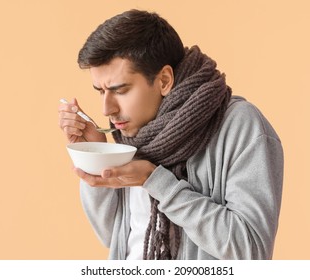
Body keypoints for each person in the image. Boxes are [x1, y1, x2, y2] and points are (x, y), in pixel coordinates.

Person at [58, 9, 284, 260]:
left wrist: (156, 182)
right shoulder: (136, 134)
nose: (106, 109)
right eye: (101, 91)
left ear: (165, 80)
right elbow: (113, 237)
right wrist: (97, 156)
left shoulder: (241, 126)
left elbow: (251, 251)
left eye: (120, 90)